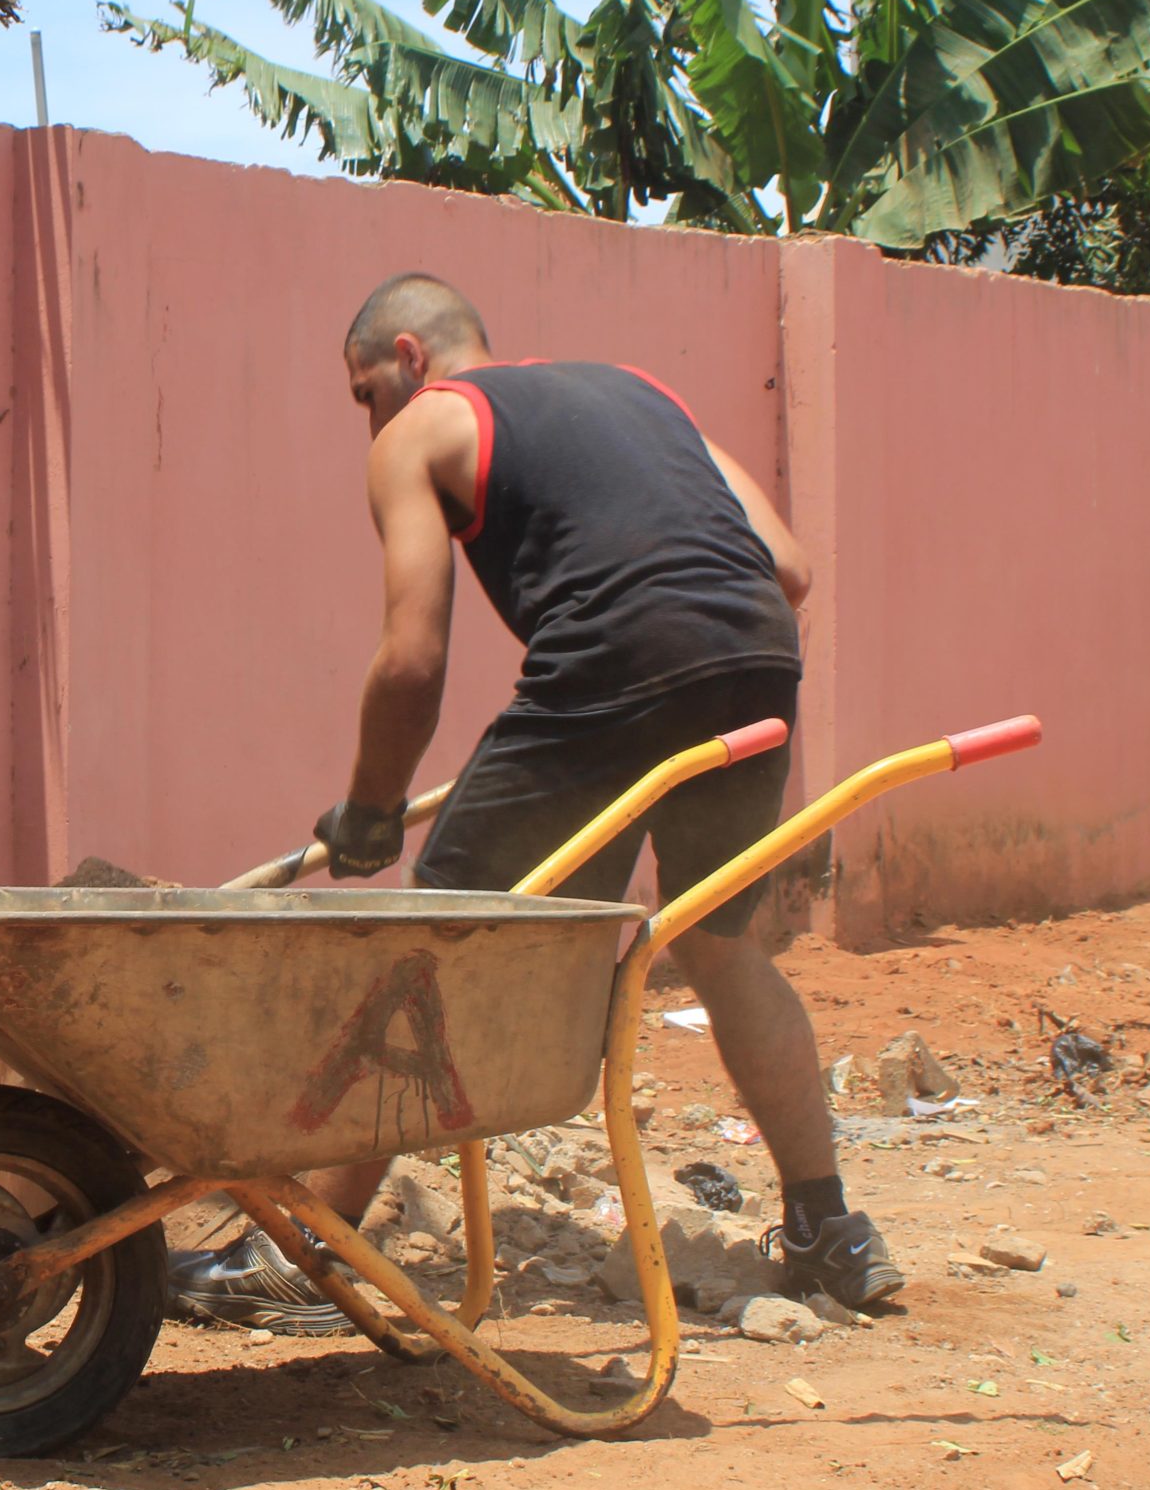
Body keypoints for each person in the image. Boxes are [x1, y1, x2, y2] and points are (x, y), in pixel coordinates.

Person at [171, 273, 904, 1333]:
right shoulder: (644, 393)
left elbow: (412, 659)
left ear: (409, 359)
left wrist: (370, 807)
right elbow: (785, 567)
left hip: (611, 661)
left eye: (360, 389)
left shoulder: (423, 431)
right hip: (754, 661)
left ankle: (308, 1257)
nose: (365, 417)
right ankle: (827, 1227)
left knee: (429, 942)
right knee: (719, 945)